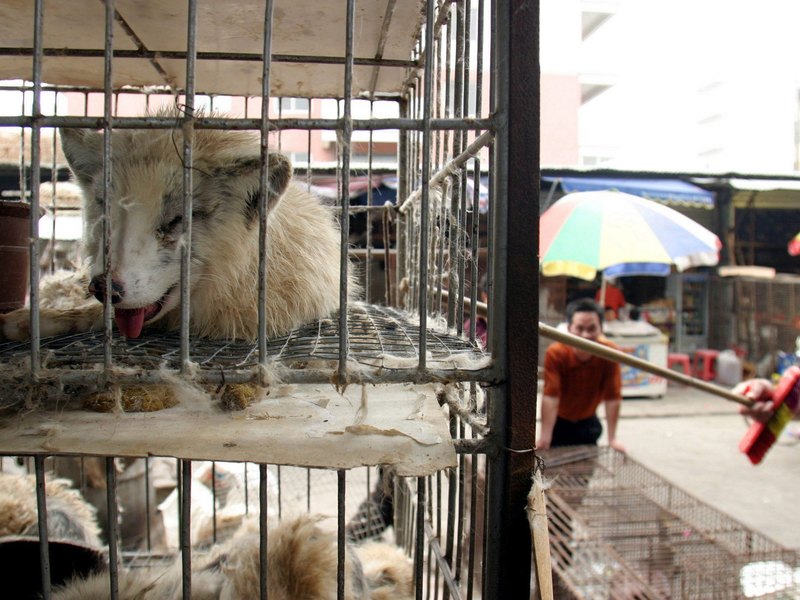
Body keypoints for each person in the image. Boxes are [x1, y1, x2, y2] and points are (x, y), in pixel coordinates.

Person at [537, 298, 626, 452]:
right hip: (559, 424)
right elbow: (551, 395)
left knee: (584, 472)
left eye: (592, 328)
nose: (585, 335)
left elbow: (613, 396)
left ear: (601, 329)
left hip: (588, 424)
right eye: (580, 328)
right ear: (570, 328)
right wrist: (545, 437)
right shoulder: (556, 353)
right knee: (554, 471)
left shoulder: (610, 353)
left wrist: (612, 439)